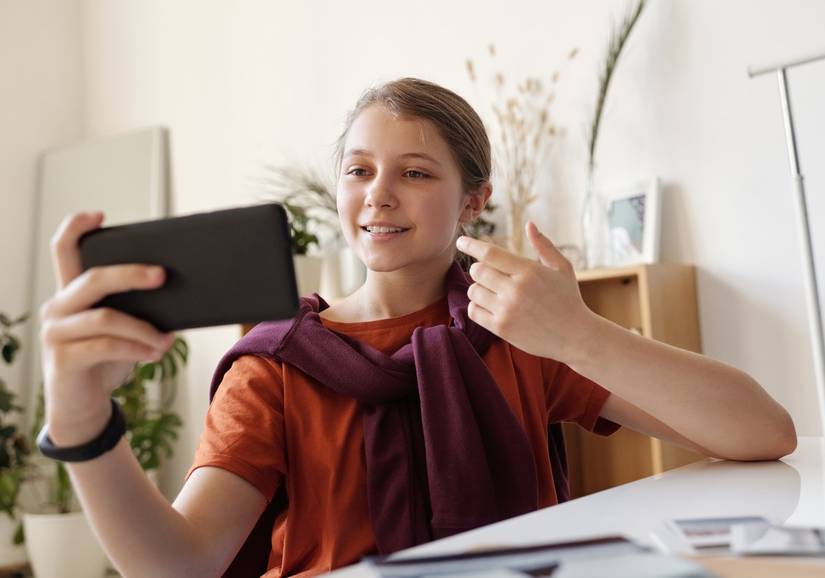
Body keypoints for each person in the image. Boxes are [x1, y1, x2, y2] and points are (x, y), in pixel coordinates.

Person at [38, 78, 797, 578]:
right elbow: (181, 565)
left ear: (473, 202)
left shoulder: (523, 334)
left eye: (415, 172)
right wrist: (80, 418)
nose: (379, 195)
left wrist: (579, 335)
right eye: (359, 170)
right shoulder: (274, 365)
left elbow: (761, 432)